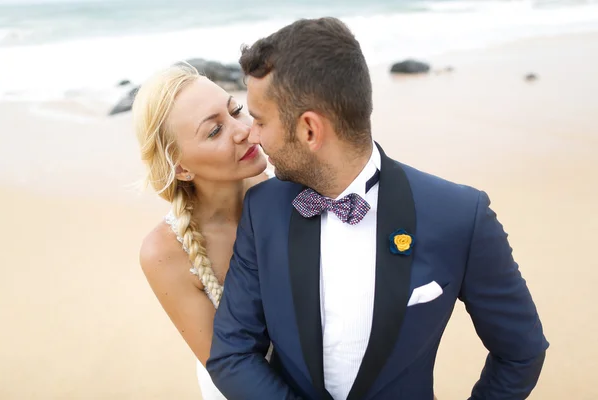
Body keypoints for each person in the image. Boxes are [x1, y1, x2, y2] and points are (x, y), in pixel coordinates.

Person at [206, 17, 549, 400]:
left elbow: (521, 351)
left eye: (260, 120)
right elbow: (231, 354)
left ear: (309, 130)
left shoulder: (460, 216)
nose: (251, 134)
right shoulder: (262, 211)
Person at [132, 63, 272, 400]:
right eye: (214, 131)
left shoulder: (284, 190)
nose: (242, 131)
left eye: (236, 110)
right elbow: (232, 369)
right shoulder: (165, 253)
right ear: (180, 168)